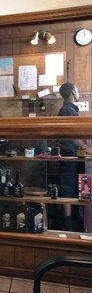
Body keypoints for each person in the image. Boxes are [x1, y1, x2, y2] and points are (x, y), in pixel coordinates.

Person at [57, 83, 92, 231]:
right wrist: (87, 147)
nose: (79, 92)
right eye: (77, 90)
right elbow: (71, 134)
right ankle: (67, 223)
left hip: (73, 153)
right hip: (68, 153)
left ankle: (74, 218)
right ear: (72, 92)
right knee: (68, 186)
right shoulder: (66, 110)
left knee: (75, 184)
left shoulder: (70, 109)